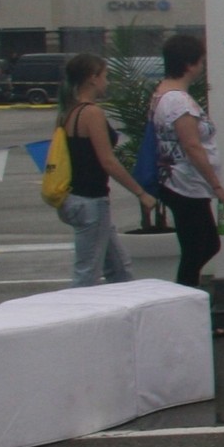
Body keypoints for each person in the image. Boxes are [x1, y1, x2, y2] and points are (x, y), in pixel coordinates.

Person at [58, 53, 156, 286]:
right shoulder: (91, 113)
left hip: (77, 199)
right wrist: (140, 193)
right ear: (93, 78)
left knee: (119, 268)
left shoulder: (69, 111)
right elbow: (108, 161)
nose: (107, 82)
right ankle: (77, 309)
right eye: (105, 76)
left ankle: (124, 303)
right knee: (87, 274)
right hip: (91, 201)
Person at [149, 35, 224, 291]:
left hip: (179, 182)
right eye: (200, 61)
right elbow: (192, 145)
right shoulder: (178, 101)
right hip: (185, 184)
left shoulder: (162, 94)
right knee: (200, 246)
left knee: (201, 245)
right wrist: (216, 185)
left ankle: (188, 292)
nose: (202, 66)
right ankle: (184, 294)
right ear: (189, 64)